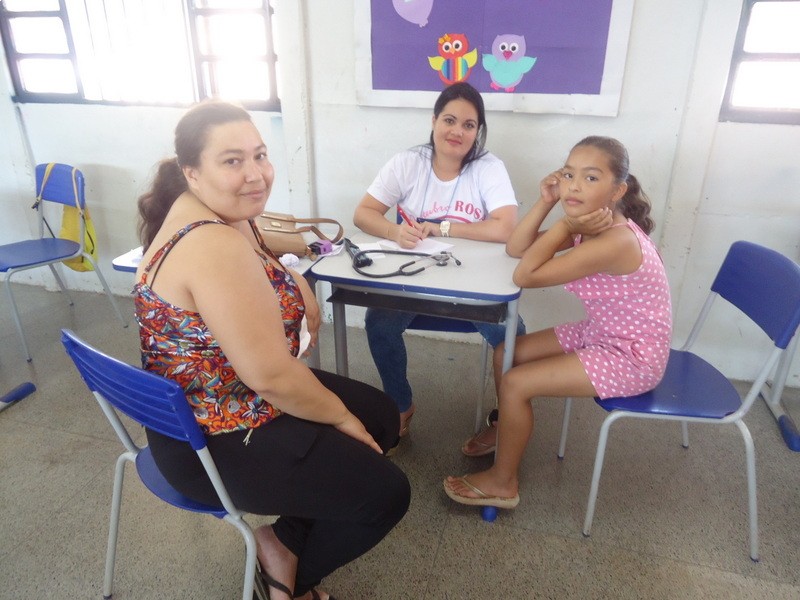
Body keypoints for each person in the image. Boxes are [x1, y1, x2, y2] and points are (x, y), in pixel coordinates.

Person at [134, 100, 410, 600]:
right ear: (192, 171)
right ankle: (293, 584)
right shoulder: (211, 243)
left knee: (383, 416)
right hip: (212, 437)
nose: (255, 174)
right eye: (232, 161)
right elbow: (271, 377)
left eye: (260, 155)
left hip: (220, 399)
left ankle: (282, 540)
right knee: (387, 493)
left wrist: (297, 282)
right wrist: (340, 418)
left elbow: (271, 265)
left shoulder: (218, 211)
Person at [445, 136, 672, 507]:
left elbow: (524, 274)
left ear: (618, 190)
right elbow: (517, 248)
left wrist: (565, 227)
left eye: (591, 178)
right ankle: (505, 431)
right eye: (568, 174)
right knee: (506, 354)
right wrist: (546, 201)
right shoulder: (591, 223)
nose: (575, 186)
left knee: (516, 383)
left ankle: (503, 483)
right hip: (601, 332)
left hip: (632, 356)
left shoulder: (614, 241)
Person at [353, 81, 526, 442]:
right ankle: (400, 406)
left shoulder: (488, 167)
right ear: (433, 121)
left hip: (472, 286)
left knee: (511, 332)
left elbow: (506, 227)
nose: (457, 132)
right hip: (414, 281)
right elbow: (363, 213)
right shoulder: (408, 163)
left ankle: (506, 418)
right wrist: (393, 231)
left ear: (478, 131)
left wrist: (442, 227)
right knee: (378, 323)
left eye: (469, 125)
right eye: (449, 120)